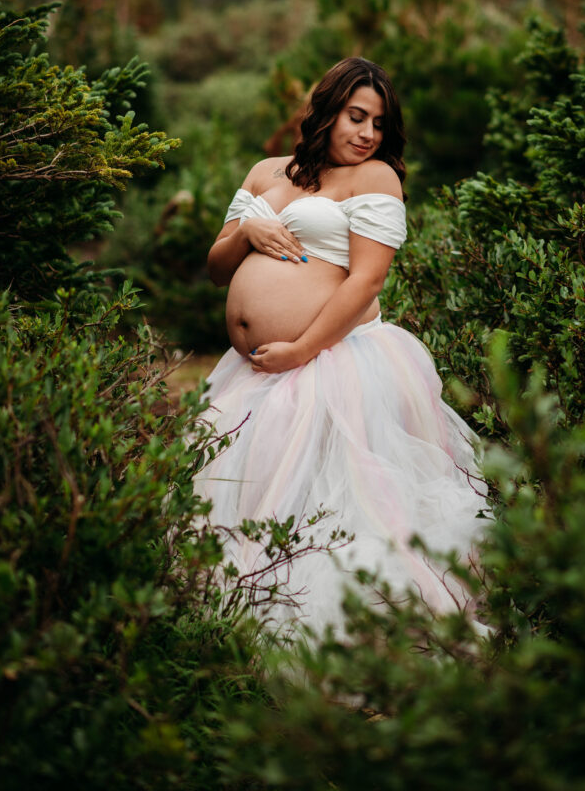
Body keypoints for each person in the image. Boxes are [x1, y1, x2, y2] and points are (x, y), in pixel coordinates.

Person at [194, 57, 489, 637]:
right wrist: (248, 231)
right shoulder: (265, 172)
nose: (367, 134)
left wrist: (300, 350)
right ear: (327, 111)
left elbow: (365, 282)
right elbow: (214, 267)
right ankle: (236, 611)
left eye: (379, 123)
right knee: (246, 498)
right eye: (357, 116)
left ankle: (346, 628)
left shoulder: (375, 178)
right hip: (251, 371)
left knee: (336, 505)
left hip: (332, 362)